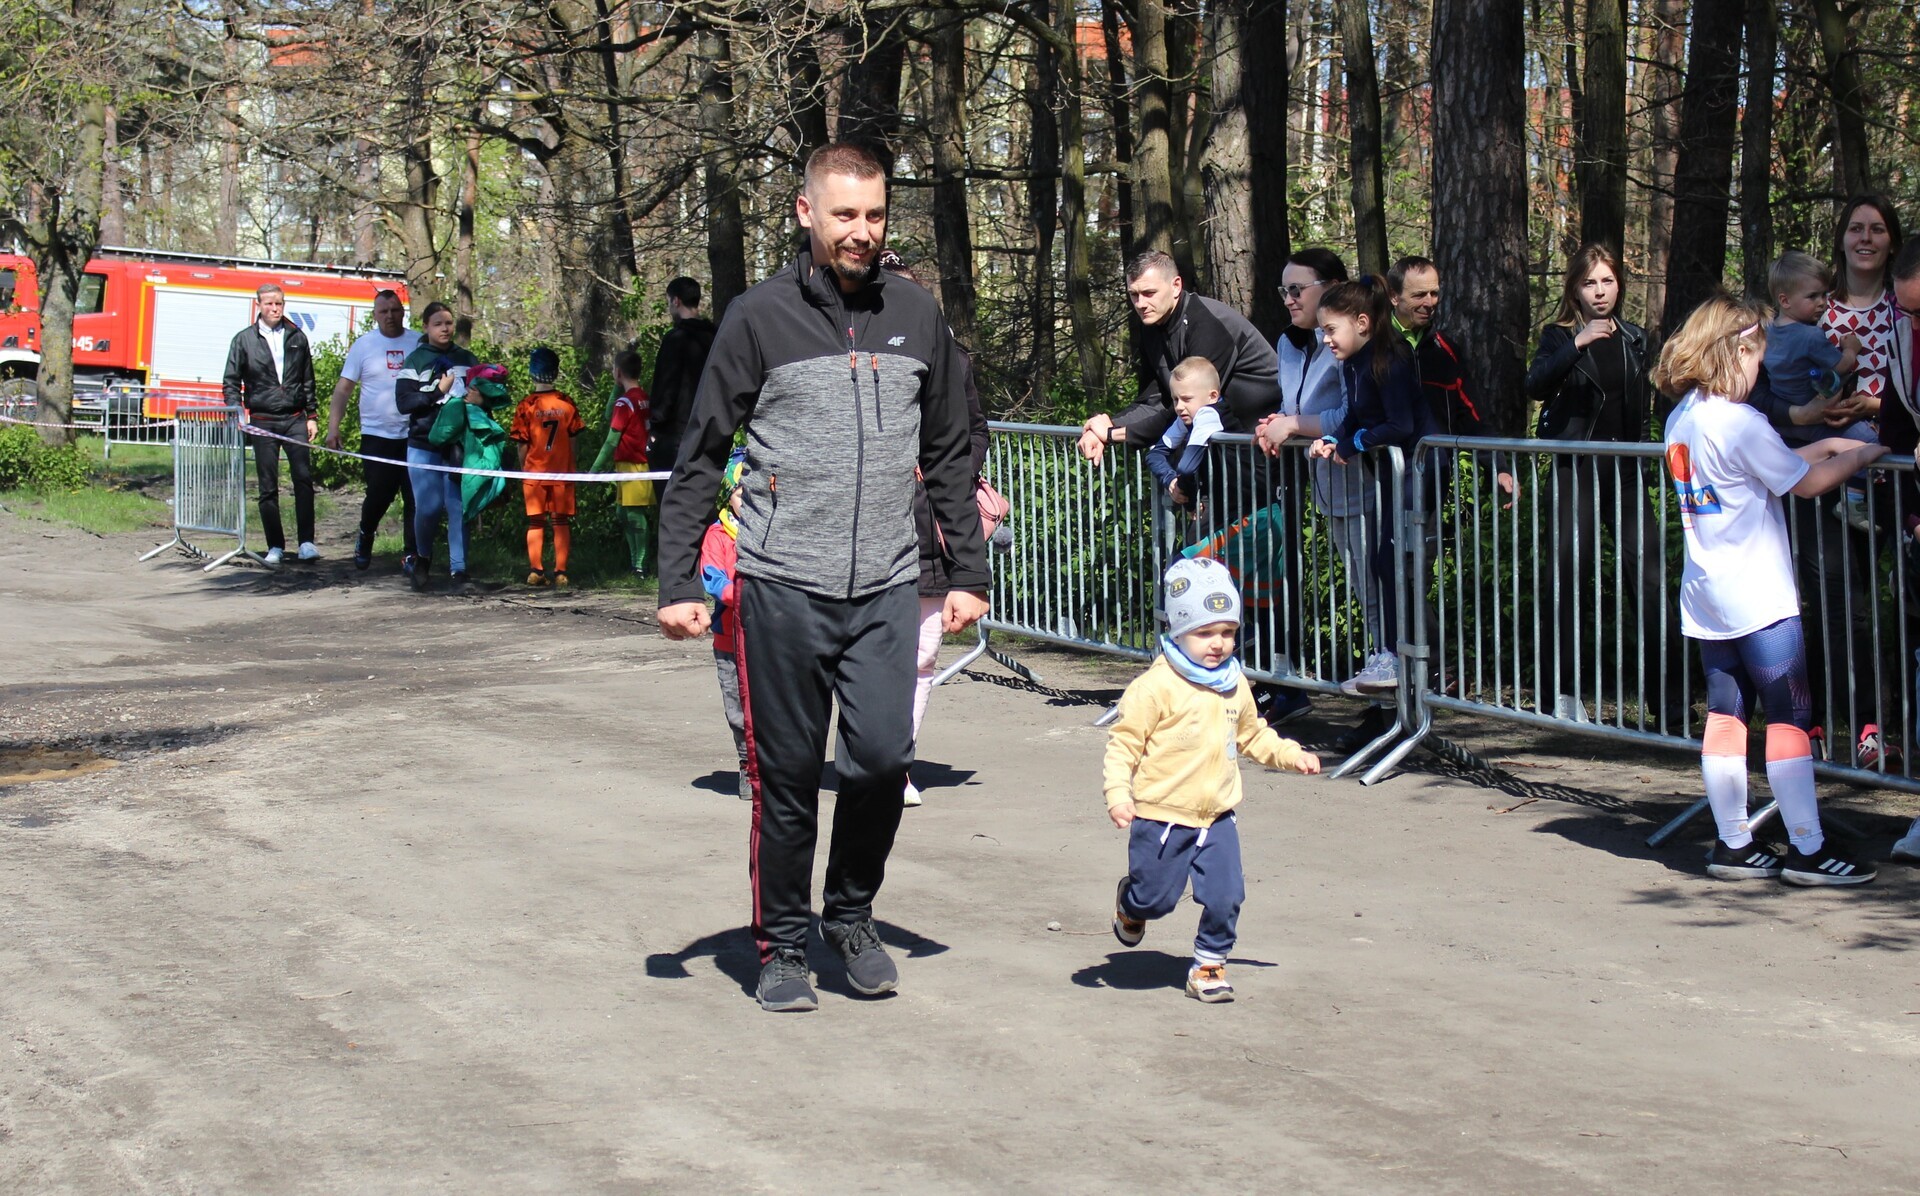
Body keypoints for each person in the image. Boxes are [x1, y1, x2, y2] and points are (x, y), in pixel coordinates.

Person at [655, 142, 990, 1013]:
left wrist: (968, 569)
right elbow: (702, 453)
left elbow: (949, 450)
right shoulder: (758, 317)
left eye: (874, 215)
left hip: (885, 584)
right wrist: (678, 582)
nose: (861, 231)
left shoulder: (915, 313)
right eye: (844, 215)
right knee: (789, 777)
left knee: (880, 760)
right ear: (807, 212)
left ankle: (849, 915)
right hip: (780, 585)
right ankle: (782, 947)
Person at [1655, 292, 1885, 886]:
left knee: (1726, 714)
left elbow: (1761, 465)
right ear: (1735, 353)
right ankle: (1809, 849)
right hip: (1758, 594)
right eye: (1756, 357)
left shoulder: (1683, 417)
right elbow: (1803, 484)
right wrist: (1863, 452)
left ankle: (1733, 842)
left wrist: (1826, 447)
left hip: (1707, 592)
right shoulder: (1741, 421)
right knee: (1788, 714)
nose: (1759, 370)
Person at [1104, 558, 1321, 1003]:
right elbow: (1123, 744)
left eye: (1227, 632)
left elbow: (1252, 734)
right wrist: (1118, 793)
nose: (1218, 644)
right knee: (1155, 900)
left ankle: (1208, 965)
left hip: (1217, 816)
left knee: (1226, 896)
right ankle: (1131, 904)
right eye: (1204, 633)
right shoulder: (1155, 687)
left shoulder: (1232, 682)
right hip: (1161, 816)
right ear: (1178, 631)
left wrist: (1291, 754)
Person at [1527, 244, 1679, 731]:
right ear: (1575, 289)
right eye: (1590, 282)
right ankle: (1561, 693)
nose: (1600, 291)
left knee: (1650, 578)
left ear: (1619, 286)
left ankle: (1670, 704)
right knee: (1568, 575)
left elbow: (1649, 398)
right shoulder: (1558, 335)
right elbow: (1535, 384)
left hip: (1626, 471)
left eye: (1608, 281)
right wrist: (1577, 343)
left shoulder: (1635, 337)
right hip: (1576, 469)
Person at [878, 251, 991, 810]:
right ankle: (868, 754)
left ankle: (896, 764)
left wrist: (948, 474)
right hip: (871, 527)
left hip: (933, 528)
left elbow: (976, 431)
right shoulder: (855, 358)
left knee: (922, 655)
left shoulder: (955, 359)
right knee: (873, 654)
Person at [1307, 277, 1438, 699]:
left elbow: (1399, 424)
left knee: (1393, 564)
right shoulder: (1353, 364)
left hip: (1417, 473)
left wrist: (1353, 444)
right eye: (1322, 331)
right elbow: (1355, 416)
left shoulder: (1390, 361)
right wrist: (1333, 439)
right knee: (1384, 564)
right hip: (1391, 474)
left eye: (1331, 329)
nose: (1326, 339)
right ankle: (1390, 655)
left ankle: (1409, 660)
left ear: (1362, 323)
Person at [1255, 248, 1365, 735]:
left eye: (1298, 289)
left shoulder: (1348, 341)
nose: (1289, 299)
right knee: (1365, 589)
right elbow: (1294, 404)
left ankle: (1403, 707)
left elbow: (1352, 413)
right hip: (1326, 486)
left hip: (1367, 483)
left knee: (1379, 592)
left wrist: (1294, 424)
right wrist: (1276, 422)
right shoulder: (1288, 341)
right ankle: (1391, 710)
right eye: (1285, 290)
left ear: (1333, 287)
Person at [1075, 251, 1279, 463]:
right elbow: (1154, 401)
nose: (1140, 303)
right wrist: (1107, 427)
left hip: (1267, 444)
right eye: (1134, 294)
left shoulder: (1207, 324)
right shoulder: (1151, 327)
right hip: (1227, 451)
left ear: (1176, 286)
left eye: (1149, 293)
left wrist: (1112, 434)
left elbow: (1192, 405)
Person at [1387, 255, 1516, 498]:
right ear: (1394, 296)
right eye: (1419, 295)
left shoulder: (1446, 351)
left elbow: (1473, 414)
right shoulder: (1372, 347)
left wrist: (1498, 468)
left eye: (1434, 293)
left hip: (1433, 478)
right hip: (1378, 479)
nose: (1429, 302)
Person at [1761, 251, 1875, 523]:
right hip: (1818, 419)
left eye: (1824, 295)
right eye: (1812, 297)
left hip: (1784, 421)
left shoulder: (1768, 331)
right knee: (1867, 441)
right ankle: (1854, 500)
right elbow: (1841, 366)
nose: (1822, 303)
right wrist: (1851, 349)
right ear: (1784, 300)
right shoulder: (1811, 335)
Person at [326, 289, 423, 571]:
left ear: (403, 312)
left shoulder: (418, 342)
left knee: (414, 497)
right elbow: (343, 389)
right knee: (380, 494)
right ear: (375, 315)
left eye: (395, 310)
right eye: (384, 311)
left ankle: (411, 555)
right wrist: (333, 428)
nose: (390, 316)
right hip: (377, 435)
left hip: (413, 434)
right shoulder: (364, 345)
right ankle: (366, 533)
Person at [222, 284, 317, 566]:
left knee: (303, 479)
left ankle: (307, 542)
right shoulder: (243, 340)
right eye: (269, 304)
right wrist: (236, 412)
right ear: (259, 306)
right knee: (267, 486)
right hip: (263, 420)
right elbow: (231, 380)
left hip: (294, 418)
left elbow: (307, 379)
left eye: (279, 303)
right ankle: (274, 545)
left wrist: (312, 415)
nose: (274, 309)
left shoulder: (297, 337)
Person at [393, 302, 480, 594]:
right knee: (428, 507)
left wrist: (481, 399)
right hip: (423, 443)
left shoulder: (466, 358)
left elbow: (483, 394)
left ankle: (459, 570)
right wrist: (436, 392)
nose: (445, 328)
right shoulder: (415, 360)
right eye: (438, 324)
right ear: (426, 327)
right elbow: (404, 403)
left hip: (458, 445)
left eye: (449, 323)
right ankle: (422, 559)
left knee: (457, 506)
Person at [699, 453, 752, 797]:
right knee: (737, 708)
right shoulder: (718, 535)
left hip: (770, 638)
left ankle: (776, 768)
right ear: (728, 495)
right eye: (741, 493)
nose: (748, 501)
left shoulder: (776, 535)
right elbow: (713, 579)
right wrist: (746, 594)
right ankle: (747, 765)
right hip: (729, 638)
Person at [510, 348, 585, 587]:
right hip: (562, 472)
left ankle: (536, 571)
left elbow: (521, 443)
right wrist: (571, 464)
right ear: (555, 371)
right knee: (560, 521)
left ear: (532, 372)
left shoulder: (526, 405)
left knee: (536, 522)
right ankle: (561, 572)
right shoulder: (566, 402)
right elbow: (573, 439)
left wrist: (524, 468)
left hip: (534, 473)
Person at [589, 350, 657, 577]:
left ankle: (641, 566)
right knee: (622, 513)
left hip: (635, 465)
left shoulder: (626, 402)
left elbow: (611, 441)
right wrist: (617, 386)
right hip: (630, 466)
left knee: (635, 515)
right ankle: (634, 562)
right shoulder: (642, 397)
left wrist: (595, 470)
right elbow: (609, 414)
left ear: (618, 372)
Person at [649, 276, 717, 484]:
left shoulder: (675, 340)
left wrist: (655, 426)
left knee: (671, 495)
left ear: (676, 301)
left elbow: (666, 387)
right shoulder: (715, 337)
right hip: (711, 430)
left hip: (677, 435)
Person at [1145, 356, 1227, 515]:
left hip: (1245, 503)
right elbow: (1154, 454)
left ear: (1212, 396)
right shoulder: (1186, 418)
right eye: (1175, 399)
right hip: (1222, 502)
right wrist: (1170, 479)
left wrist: (1190, 503)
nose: (1179, 407)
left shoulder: (1208, 414)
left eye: (1186, 399)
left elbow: (1186, 468)